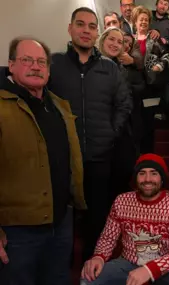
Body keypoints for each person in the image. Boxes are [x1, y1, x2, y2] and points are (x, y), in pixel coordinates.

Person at [48, 7, 132, 261]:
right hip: (63, 156)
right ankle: (62, 262)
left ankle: (92, 261)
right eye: (80, 25)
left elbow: (124, 104)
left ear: (97, 32)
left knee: (97, 213)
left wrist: (111, 132)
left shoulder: (109, 68)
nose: (86, 31)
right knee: (63, 212)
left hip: (100, 154)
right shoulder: (54, 63)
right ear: (70, 28)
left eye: (92, 26)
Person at [0, 36, 86, 285]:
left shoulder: (59, 106)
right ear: (11, 65)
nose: (36, 66)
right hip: (17, 231)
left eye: (41, 62)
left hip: (60, 222)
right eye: (27, 60)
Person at [81, 153, 169, 285]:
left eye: (154, 173)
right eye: (142, 173)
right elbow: (108, 238)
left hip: (163, 266)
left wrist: (151, 269)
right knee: (88, 278)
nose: (147, 179)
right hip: (128, 264)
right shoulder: (121, 201)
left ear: (162, 179)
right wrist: (99, 257)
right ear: (136, 177)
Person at [132, 5, 169, 153]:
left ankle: (147, 155)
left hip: (150, 88)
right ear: (135, 22)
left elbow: (166, 56)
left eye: (146, 20)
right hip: (132, 89)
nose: (144, 22)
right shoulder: (128, 40)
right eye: (141, 20)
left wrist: (159, 66)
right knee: (134, 124)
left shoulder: (154, 40)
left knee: (148, 125)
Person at [98, 27, 138, 199]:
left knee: (122, 173)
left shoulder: (122, 68)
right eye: (111, 39)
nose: (115, 44)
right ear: (102, 40)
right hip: (99, 129)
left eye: (120, 42)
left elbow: (126, 99)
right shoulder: (92, 64)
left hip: (120, 129)